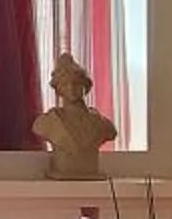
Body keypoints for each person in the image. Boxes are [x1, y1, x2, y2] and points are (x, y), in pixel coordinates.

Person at [33, 50, 116, 180]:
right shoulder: (47, 123)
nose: (71, 88)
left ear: (86, 86)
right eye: (65, 84)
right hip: (62, 174)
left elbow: (111, 132)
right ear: (58, 89)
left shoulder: (101, 124)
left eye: (76, 83)